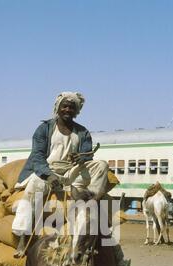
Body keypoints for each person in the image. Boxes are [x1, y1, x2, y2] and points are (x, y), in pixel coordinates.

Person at [12, 91, 109, 256]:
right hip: (48, 170)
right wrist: (49, 176)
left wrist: (82, 158)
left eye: (72, 108)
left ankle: (90, 199)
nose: (68, 110)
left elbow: (87, 154)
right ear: (58, 108)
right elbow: (37, 157)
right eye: (64, 106)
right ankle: (24, 236)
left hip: (71, 171)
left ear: (76, 111)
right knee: (32, 187)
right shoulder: (44, 129)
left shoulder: (82, 132)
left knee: (101, 165)